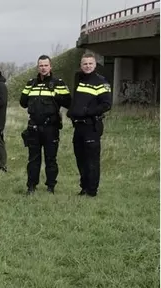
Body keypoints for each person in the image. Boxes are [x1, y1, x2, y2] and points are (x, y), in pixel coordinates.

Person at [19, 55, 72, 195]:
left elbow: (68, 102)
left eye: (46, 65)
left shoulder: (58, 83)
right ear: (38, 67)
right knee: (33, 159)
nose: (43, 68)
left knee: (51, 159)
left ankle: (50, 187)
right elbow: (23, 102)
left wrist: (56, 96)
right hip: (34, 127)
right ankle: (31, 186)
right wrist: (27, 91)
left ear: (50, 67)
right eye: (41, 65)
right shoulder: (31, 83)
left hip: (51, 127)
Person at [66, 51, 112, 197]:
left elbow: (106, 104)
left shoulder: (101, 81)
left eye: (90, 63)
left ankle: (92, 191)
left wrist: (88, 111)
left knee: (92, 160)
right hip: (78, 126)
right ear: (81, 65)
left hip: (91, 126)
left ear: (95, 65)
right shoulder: (79, 79)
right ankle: (84, 187)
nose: (87, 66)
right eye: (85, 64)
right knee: (80, 158)